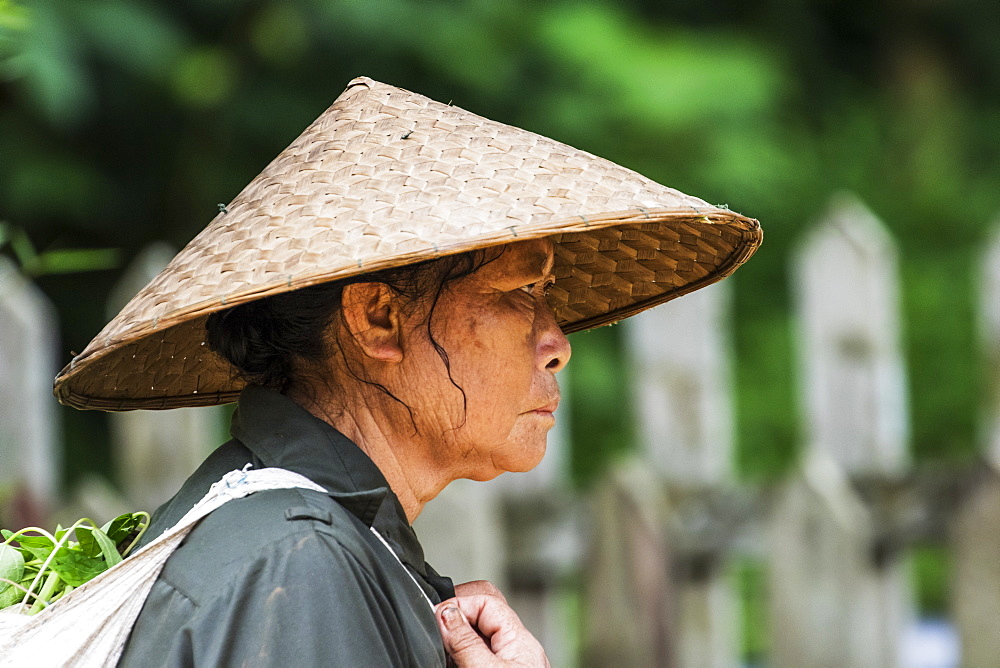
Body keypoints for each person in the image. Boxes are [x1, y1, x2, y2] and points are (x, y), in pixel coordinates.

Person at [54, 77, 761, 666]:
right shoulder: (298, 565)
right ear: (378, 320)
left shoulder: (307, 540)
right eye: (521, 291)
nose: (556, 341)